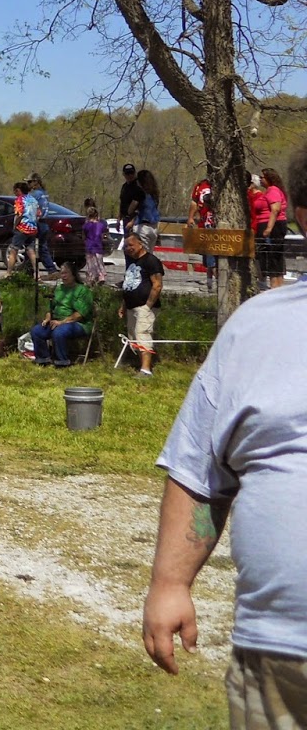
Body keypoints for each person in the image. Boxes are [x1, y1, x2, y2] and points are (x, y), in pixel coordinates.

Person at [142, 145, 307, 723]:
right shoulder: (257, 328)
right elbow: (204, 477)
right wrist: (170, 582)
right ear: (303, 213)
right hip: (280, 664)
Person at [28, 262, 95, 367]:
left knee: (58, 332)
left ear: (73, 274)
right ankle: (43, 359)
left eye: (66, 273)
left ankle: (62, 361)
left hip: (79, 323)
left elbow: (80, 314)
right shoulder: (59, 288)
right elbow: (52, 307)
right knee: (36, 331)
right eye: (61, 273)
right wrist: (47, 318)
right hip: (57, 321)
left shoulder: (83, 290)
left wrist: (62, 322)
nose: (63, 276)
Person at [119, 231, 164, 377]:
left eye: (131, 245)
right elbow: (129, 285)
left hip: (145, 307)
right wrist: (123, 305)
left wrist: (148, 306)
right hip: (131, 306)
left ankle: (146, 370)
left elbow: (157, 285)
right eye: (126, 246)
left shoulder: (151, 261)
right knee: (133, 337)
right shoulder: (132, 262)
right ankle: (139, 364)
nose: (128, 248)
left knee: (142, 334)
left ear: (140, 244)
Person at [257, 167, 289, 289]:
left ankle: (275, 285)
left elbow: (275, 209)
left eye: (262, 177)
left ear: (269, 178)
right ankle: (277, 286)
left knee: (273, 256)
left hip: (275, 226)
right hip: (274, 225)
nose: (260, 180)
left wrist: (269, 228)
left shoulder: (273, 190)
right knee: (274, 256)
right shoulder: (270, 190)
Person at [187, 168, 217, 290]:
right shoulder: (200, 185)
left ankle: (219, 283)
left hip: (214, 226)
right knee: (207, 258)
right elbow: (195, 202)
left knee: (213, 258)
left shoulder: (219, 185)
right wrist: (191, 217)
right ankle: (209, 283)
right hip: (203, 225)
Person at [6, 180, 39, 277]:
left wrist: (15, 225)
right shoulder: (34, 200)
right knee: (31, 250)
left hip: (22, 228)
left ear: (18, 190)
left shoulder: (19, 200)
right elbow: (38, 214)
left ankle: (8, 272)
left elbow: (19, 214)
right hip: (32, 228)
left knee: (13, 250)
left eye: (15, 191)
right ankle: (37, 273)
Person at [29, 172, 58, 275]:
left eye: (30, 182)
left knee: (29, 246)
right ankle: (51, 269)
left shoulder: (35, 194)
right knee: (42, 247)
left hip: (36, 223)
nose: (28, 184)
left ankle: (29, 271)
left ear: (35, 182)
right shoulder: (44, 193)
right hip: (44, 223)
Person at [134, 169, 162, 249]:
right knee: (149, 253)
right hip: (154, 227)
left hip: (143, 227)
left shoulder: (140, 194)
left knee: (142, 254)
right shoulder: (154, 194)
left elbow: (132, 209)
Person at [83, 202, 108, 286]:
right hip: (98, 247)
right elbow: (103, 236)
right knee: (99, 262)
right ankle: (101, 275)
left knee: (90, 263)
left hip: (89, 247)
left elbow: (84, 236)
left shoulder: (86, 226)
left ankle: (91, 278)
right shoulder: (101, 225)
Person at [118, 163, 144, 229]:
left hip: (135, 220)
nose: (130, 175)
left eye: (131, 173)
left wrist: (132, 221)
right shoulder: (124, 187)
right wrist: (118, 219)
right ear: (124, 174)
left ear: (135, 173)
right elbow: (122, 203)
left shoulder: (138, 187)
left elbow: (140, 207)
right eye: (127, 173)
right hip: (125, 219)